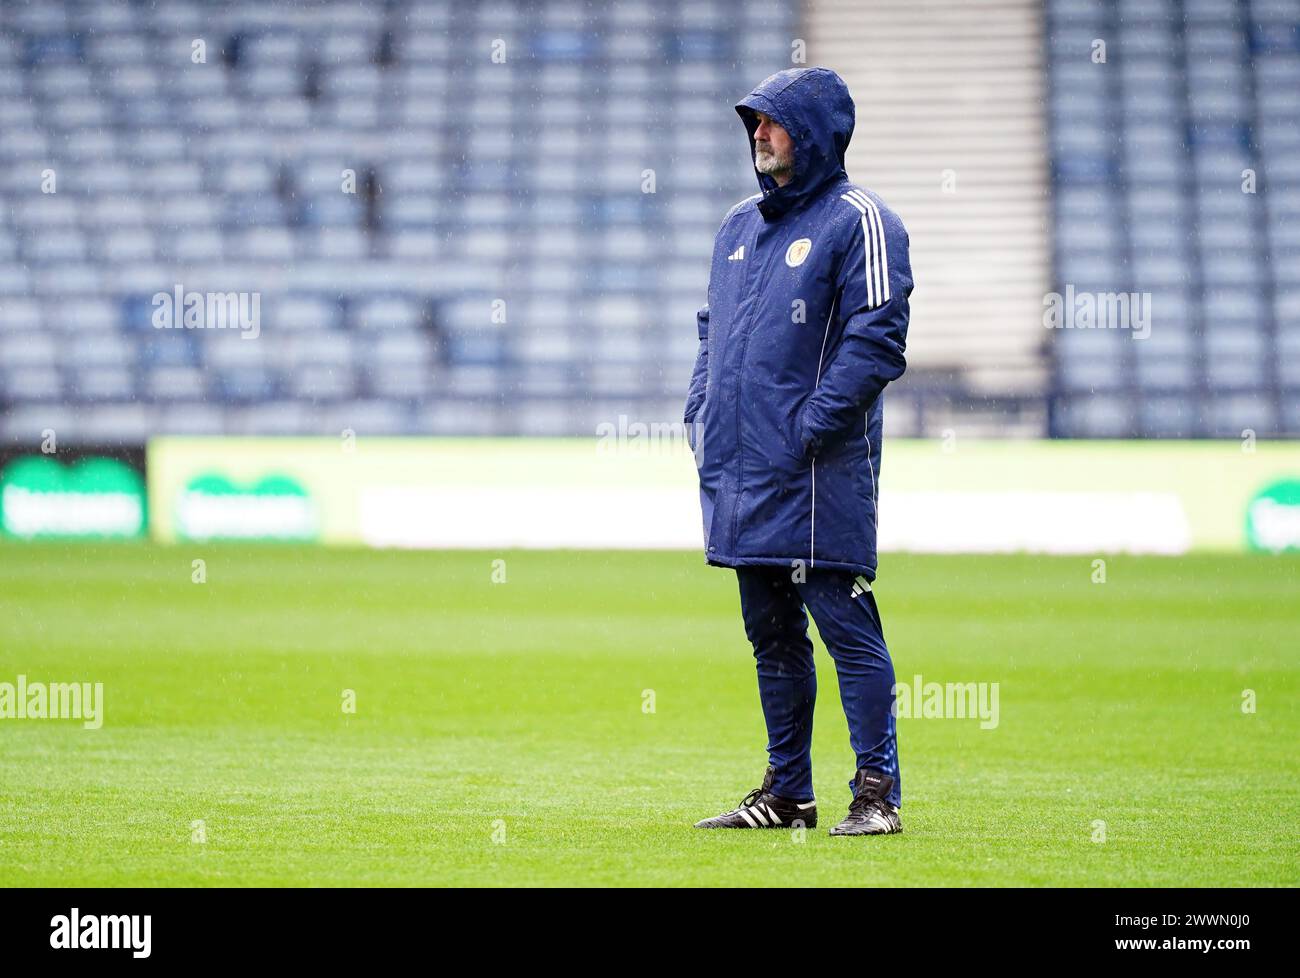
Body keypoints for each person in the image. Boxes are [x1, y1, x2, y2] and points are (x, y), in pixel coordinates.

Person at [685, 67, 913, 836]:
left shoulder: (862, 221)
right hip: (743, 472)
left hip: (819, 475)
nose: (758, 133)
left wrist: (814, 425)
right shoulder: (736, 227)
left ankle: (876, 795)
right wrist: (701, 414)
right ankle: (789, 794)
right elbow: (712, 331)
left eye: (772, 122)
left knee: (849, 632)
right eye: (752, 122)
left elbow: (878, 340)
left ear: (812, 132)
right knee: (771, 636)